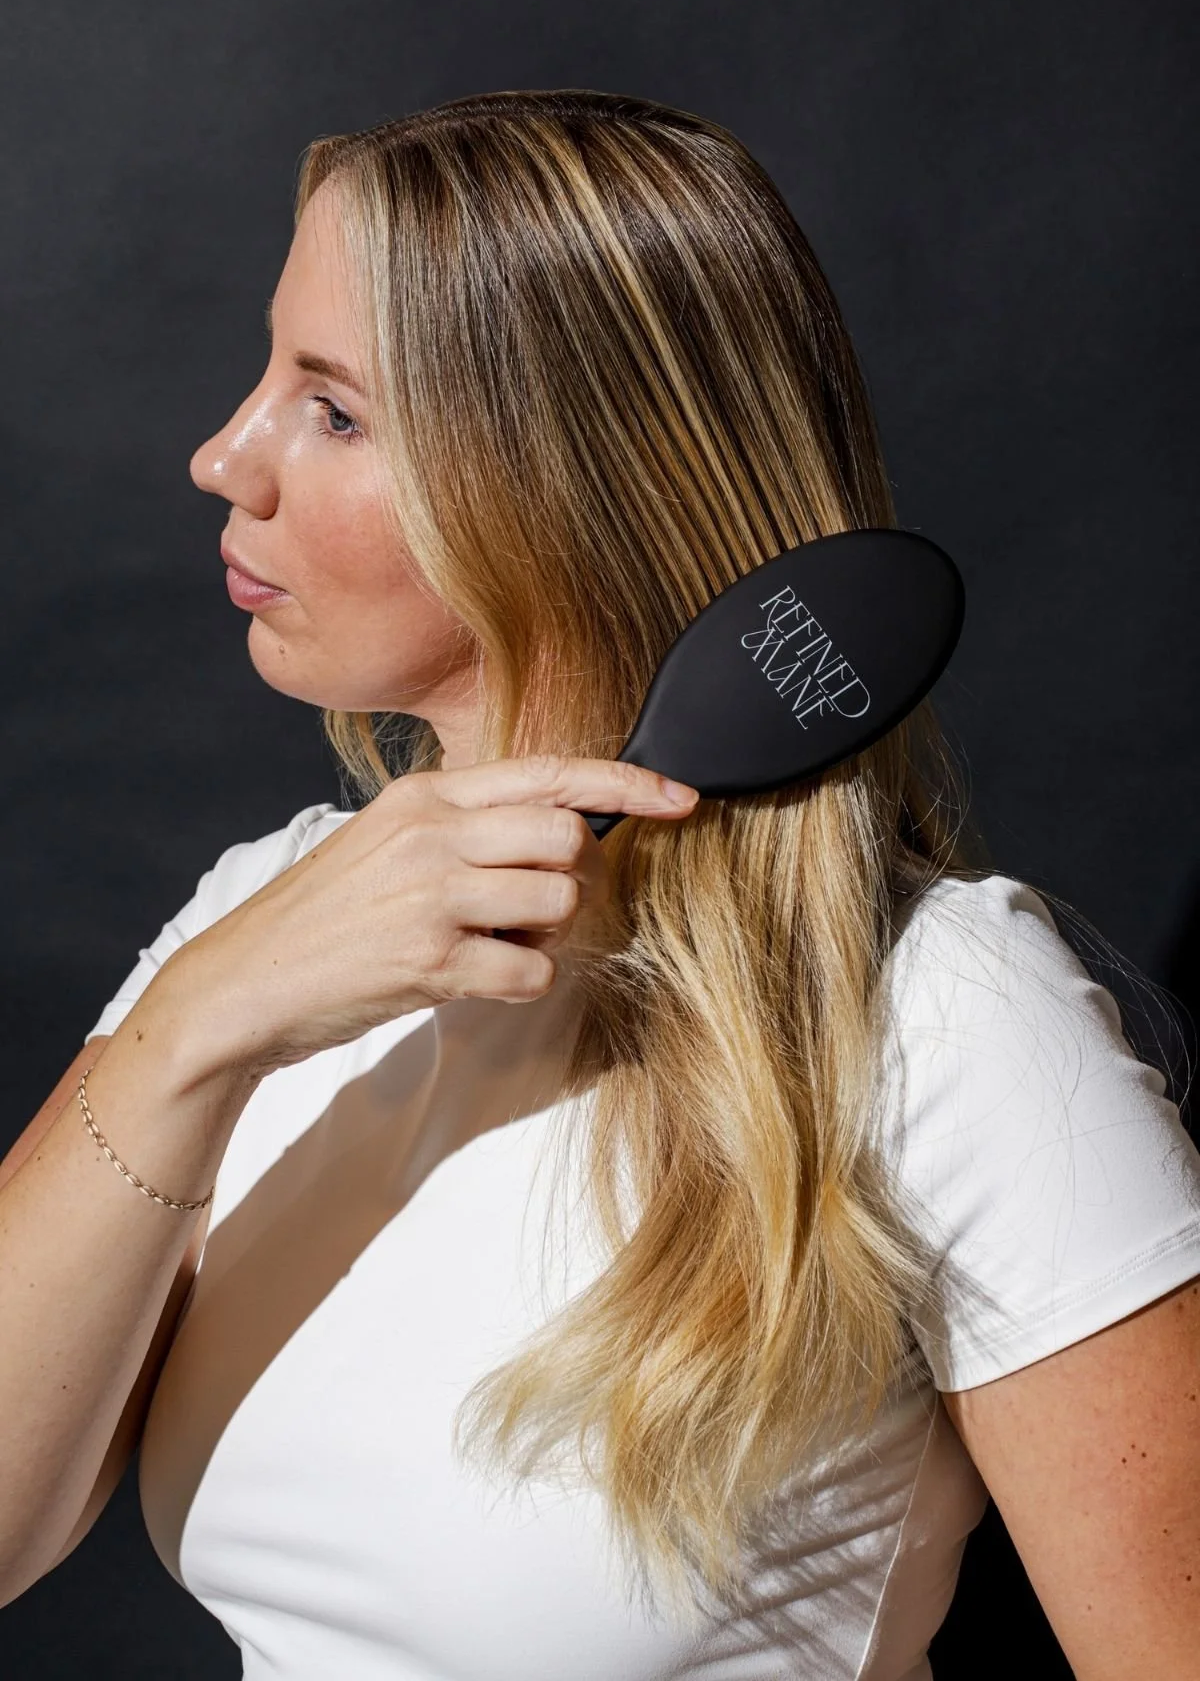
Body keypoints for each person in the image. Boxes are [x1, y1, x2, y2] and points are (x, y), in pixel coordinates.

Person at [1, 89, 1197, 1681]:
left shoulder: (941, 1023)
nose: (225, 455)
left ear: (562, 485)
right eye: (267, 377)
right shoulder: (265, 924)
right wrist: (200, 1023)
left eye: (334, 411)